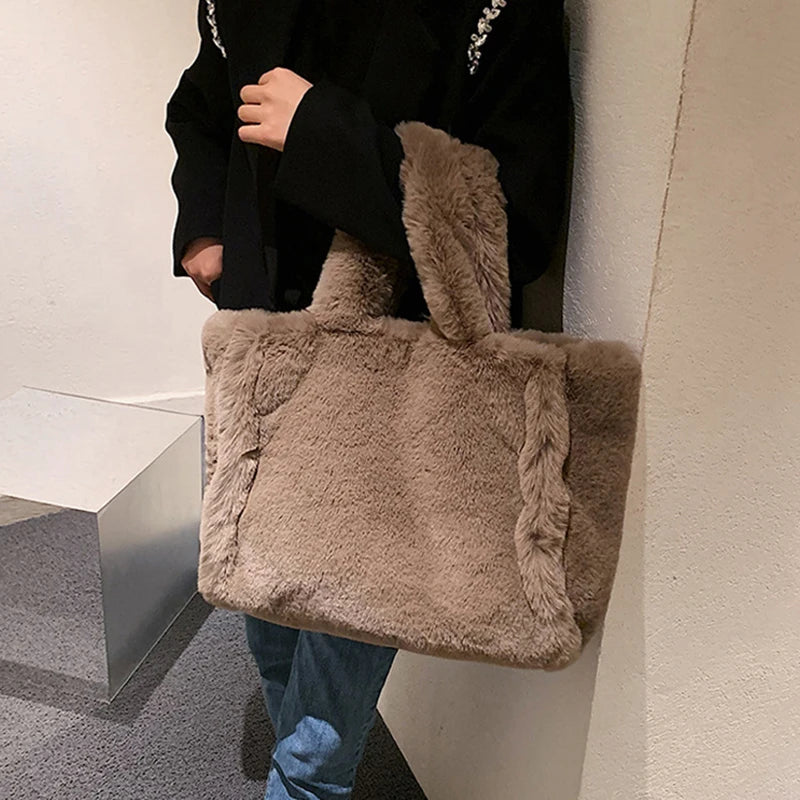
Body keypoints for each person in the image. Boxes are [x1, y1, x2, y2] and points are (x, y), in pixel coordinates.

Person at [165, 1, 572, 797]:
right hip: (263, 342)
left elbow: (515, 221)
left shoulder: (497, 8)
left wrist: (321, 132)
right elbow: (201, 108)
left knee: (340, 659)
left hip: (395, 372)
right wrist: (203, 231)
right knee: (266, 603)